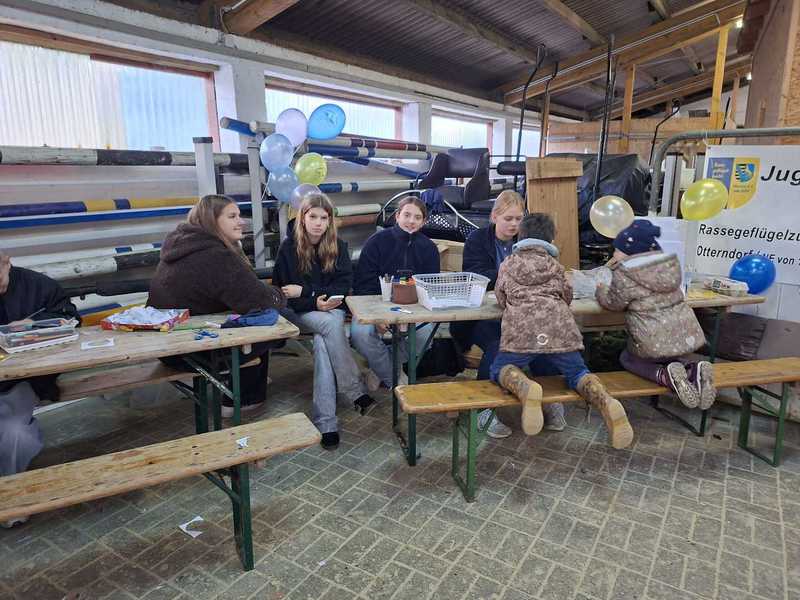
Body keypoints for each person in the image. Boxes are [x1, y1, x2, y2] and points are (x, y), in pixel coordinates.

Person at [490, 213, 634, 449]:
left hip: (521, 333)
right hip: (560, 330)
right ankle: (605, 400)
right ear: (550, 239)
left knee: (500, 369)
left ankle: (524, 387)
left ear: (521, 236)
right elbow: (566, 296)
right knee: (577, 372)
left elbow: (501, 296)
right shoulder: (555, 267)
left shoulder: (508, 264)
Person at [148, 195, 286, 417]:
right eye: (232, 216)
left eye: (239, 216)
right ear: (212, 221)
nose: (241, 221)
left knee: (243, 315)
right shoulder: (215, 255)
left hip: (166, 346)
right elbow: (261, 300)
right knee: (267, 321)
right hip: (190, 353)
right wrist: (281, 293)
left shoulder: (183, 245)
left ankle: (249, 381)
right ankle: (242, 400)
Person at [273, 193, 372, 449]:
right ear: (302, 218)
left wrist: (309, 293)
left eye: (324, 218)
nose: (318, 223)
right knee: (330, 325)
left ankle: (326, 423)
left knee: (322, 341)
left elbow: (342, 286)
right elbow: (286, 295)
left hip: (331, 308)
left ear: (330, 221)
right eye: (313, 217)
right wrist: (313, 299)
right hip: (297, 312)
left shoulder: (339, 246)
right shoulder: (288, 248)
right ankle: (355, 390)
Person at [596, 219, 714, 409]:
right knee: (669, 356)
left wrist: (601, 289)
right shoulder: (669, 266)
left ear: (630, 251)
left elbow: (613, 303)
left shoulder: (625, 273)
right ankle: (693, 371)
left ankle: (664, 376)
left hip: (652, 339)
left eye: (617, 250)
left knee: (627, 358)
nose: (614, 254)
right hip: (685, 336)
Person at [0, 250, 81, 527]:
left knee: (14, 433)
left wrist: (33, 325)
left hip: (21, 381)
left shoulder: (38, 285)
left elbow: (70, 317)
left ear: (6, 261)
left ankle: (11, 498)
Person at [351, 196, 440, 396]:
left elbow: (430, 288)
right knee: (360, 334)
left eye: (417, 217)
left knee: (425, 335)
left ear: (423, 222)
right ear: (397, 216)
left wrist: (411, 315)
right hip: (374, 305)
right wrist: (378, 316)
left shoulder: (429, 248)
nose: (411, 221)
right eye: (406, 215)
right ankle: (397, 381)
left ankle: (380, 369)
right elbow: (363, 285)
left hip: (414, 309)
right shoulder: (376, 242)